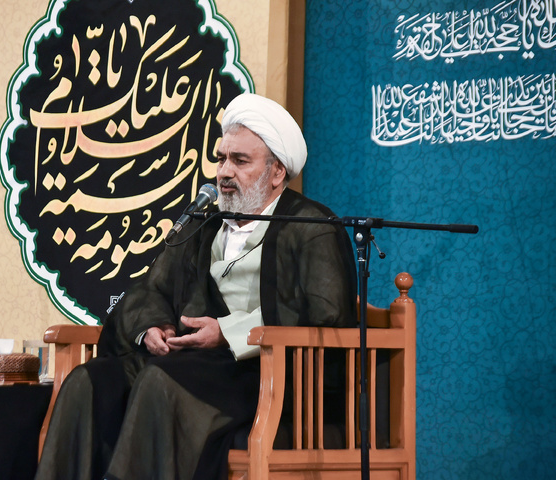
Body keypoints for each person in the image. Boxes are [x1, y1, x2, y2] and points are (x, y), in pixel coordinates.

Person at [35, 93, 357, 480]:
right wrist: (151, 327)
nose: (223, 171)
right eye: (221, 158)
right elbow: (150, 288)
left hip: (265, 373)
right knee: (88, 383)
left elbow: (327, 312)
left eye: (240, 161)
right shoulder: (203, 221)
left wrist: (229, 332)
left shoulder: (313, 226)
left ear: (276, 173)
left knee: (160, 381)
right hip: (196, 363)